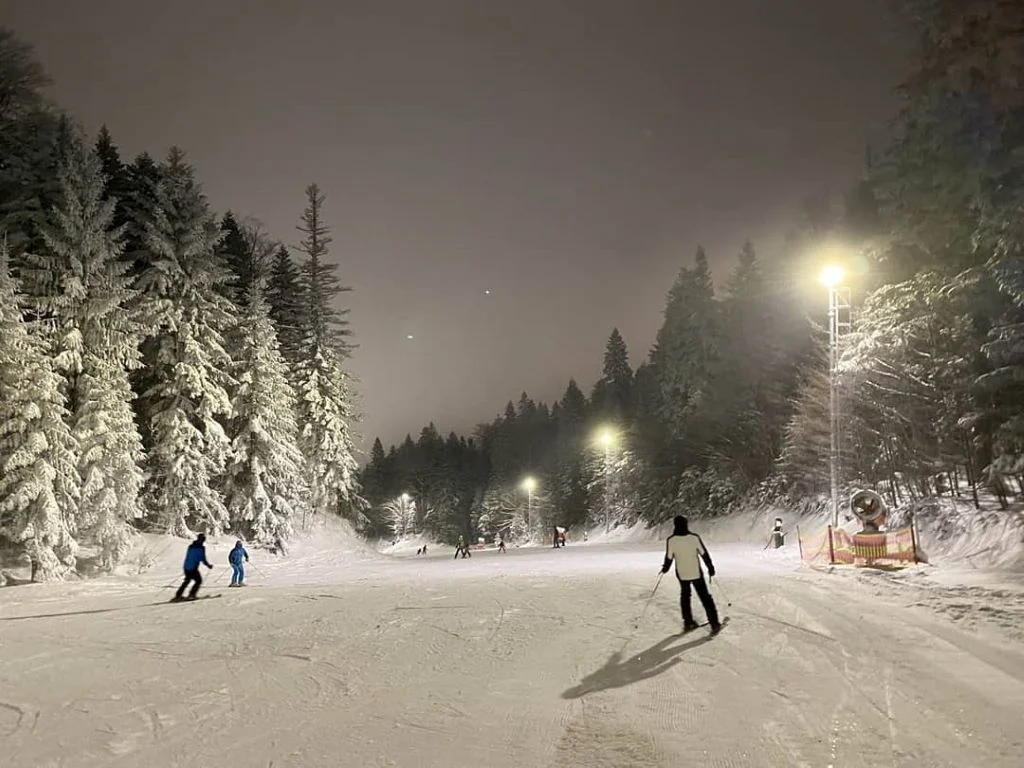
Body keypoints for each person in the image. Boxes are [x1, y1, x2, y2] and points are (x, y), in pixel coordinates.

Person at [660, 515, 721, 634]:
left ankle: (688, 622)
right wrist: (710, 567)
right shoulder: (694, 538)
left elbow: (669, 557)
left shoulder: (671, 540)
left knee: (685, 596)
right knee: (705, 597)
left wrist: (665, 569)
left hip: (682, 574)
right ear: (686, 524)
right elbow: (704, 554)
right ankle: (714, 623)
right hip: (696, 573)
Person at [173, 534, 214, 601]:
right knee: (198, 580)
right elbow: (202, 559)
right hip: (193, 568)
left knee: (187, 581)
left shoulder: (191, 546)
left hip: (186, 567)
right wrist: (208, 565)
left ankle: (178, 595)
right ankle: (192, 595)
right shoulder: (201, 548)